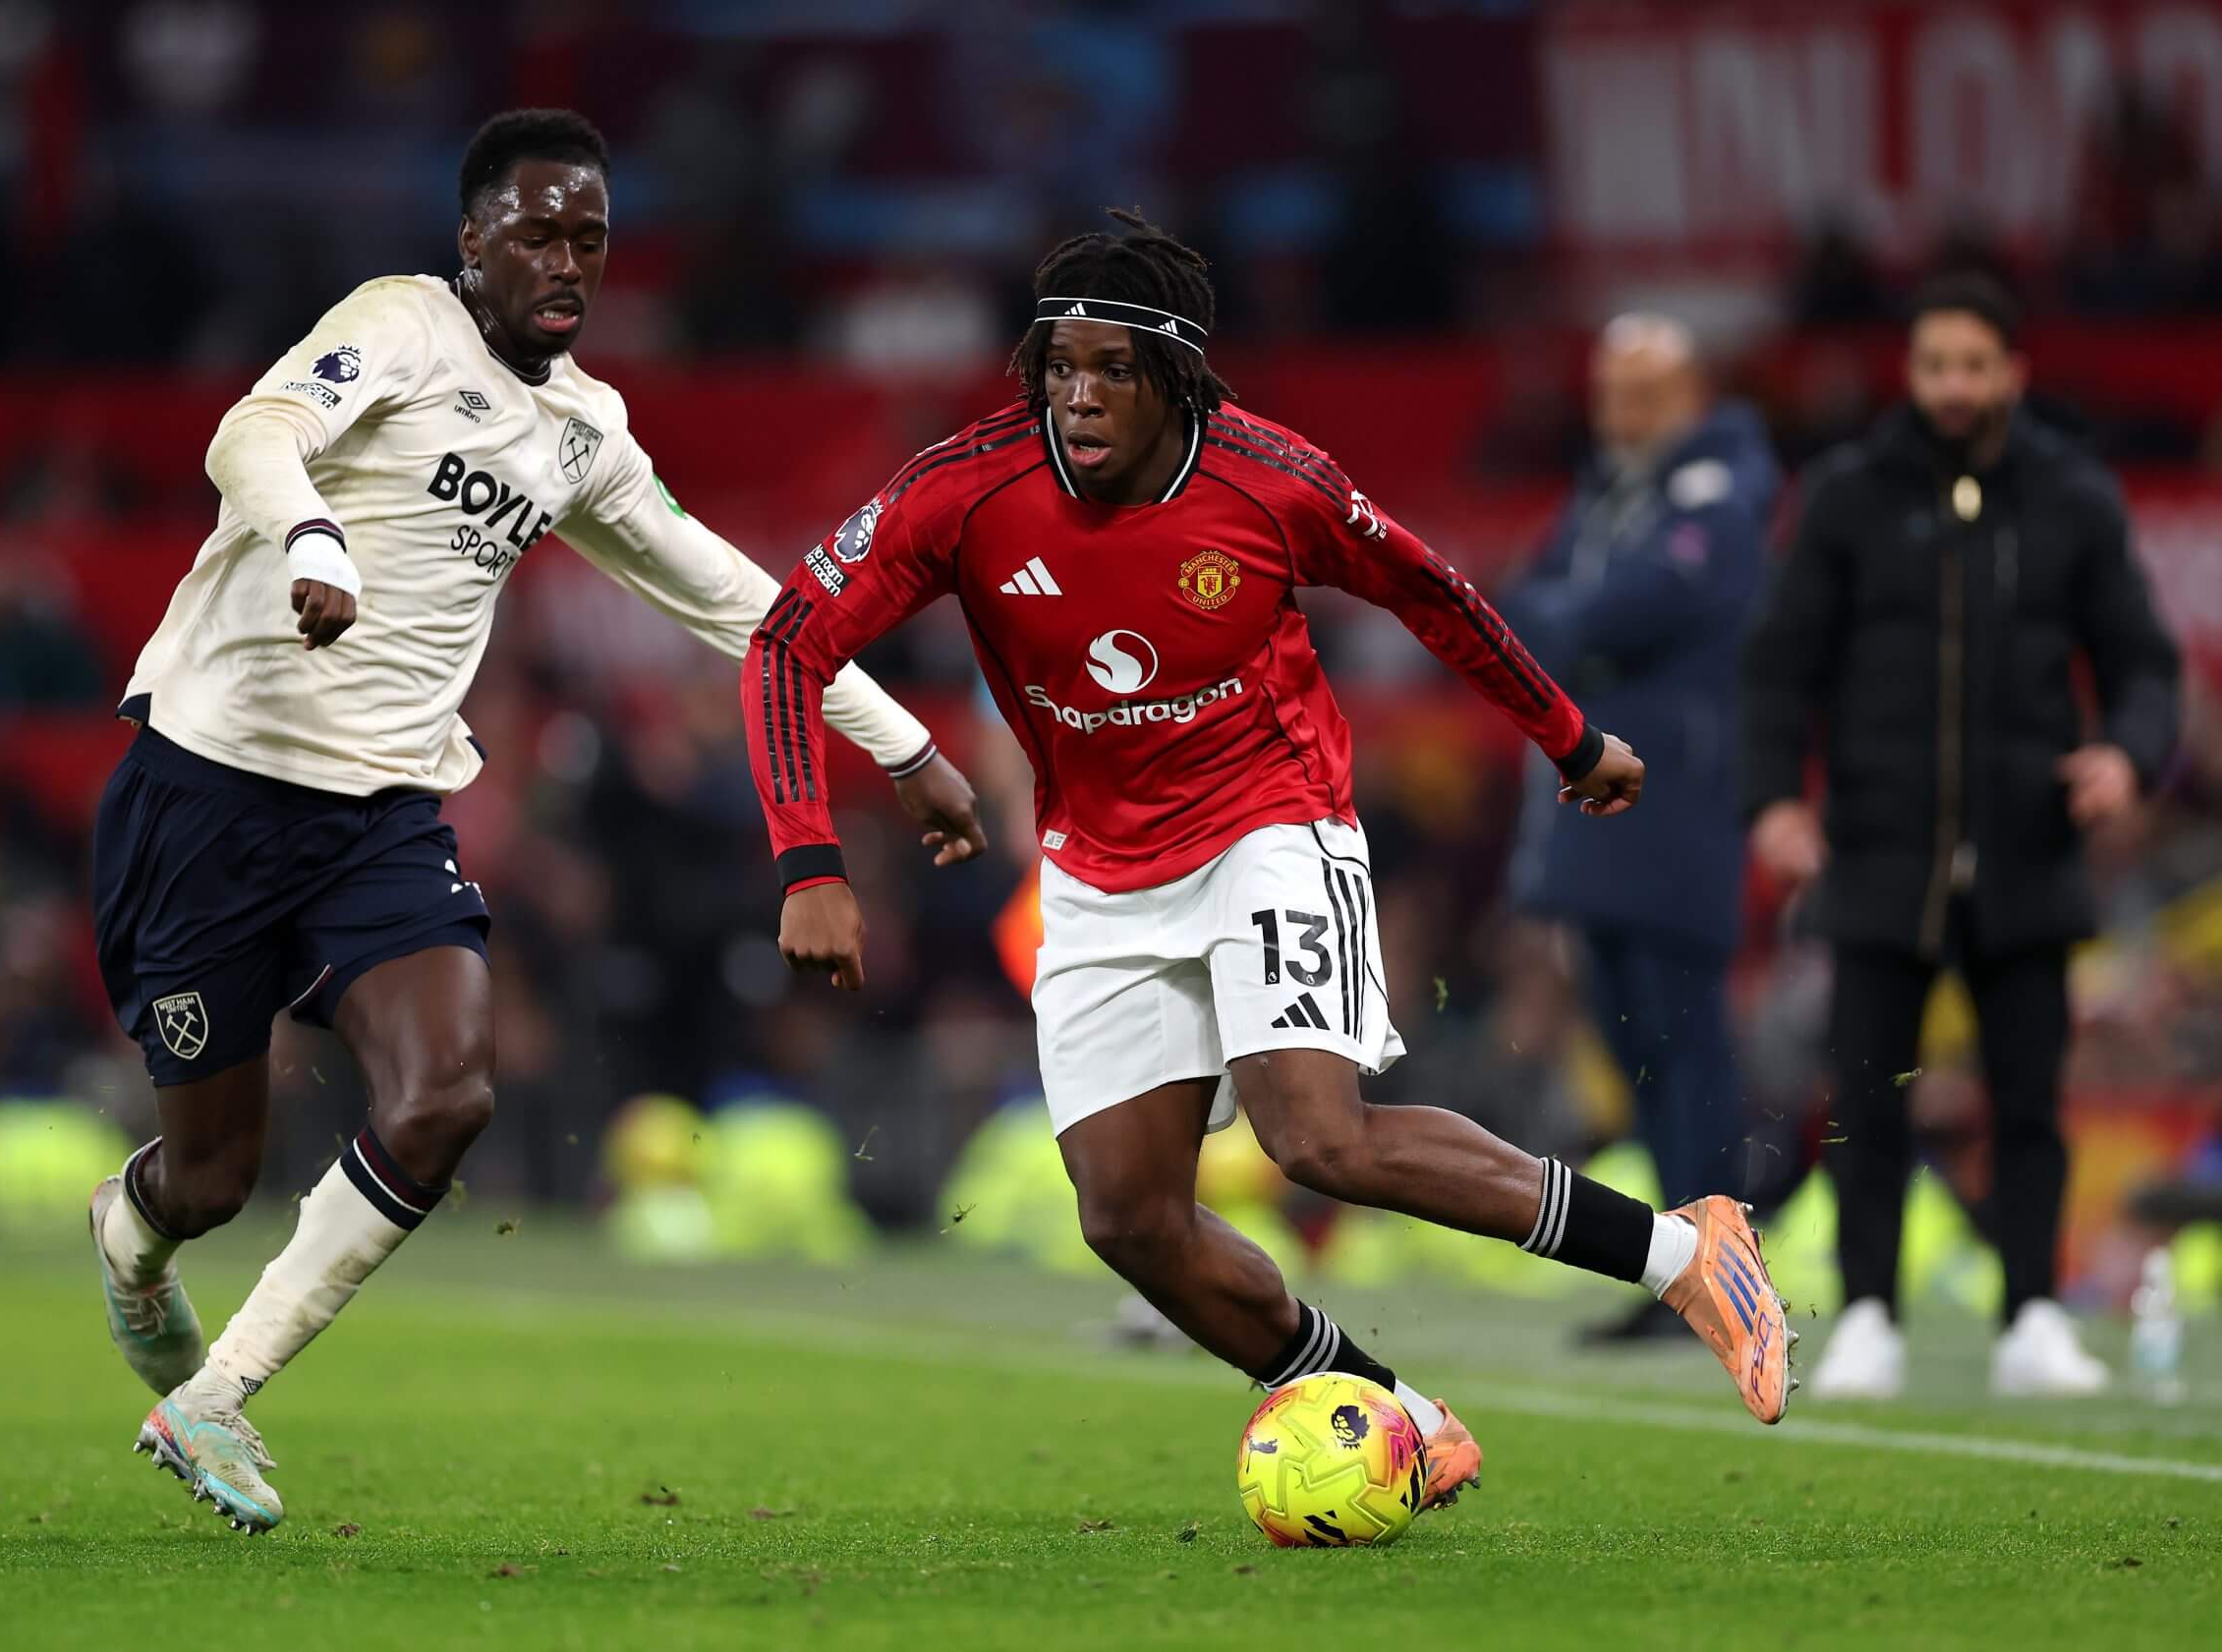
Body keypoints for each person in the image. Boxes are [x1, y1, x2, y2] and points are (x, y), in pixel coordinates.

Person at [741, 211, 1794, 1511]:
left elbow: (1433, 592)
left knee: (1317, 1137)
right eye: (1058, 366)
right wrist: (810, 859)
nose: (1078, 395)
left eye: (1112, 369)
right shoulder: (965, 491)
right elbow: (787, 639)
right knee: (1126, 1217)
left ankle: (1689, 1254)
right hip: (1097, 870)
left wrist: (1570, 740)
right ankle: (1400, 1412)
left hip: (1270, 826)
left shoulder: (1271, 481)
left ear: (1176, 376)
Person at [84, 109, 986, 1532]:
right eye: (539, 232)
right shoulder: (399, 325)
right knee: (210, 1177)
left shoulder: (585, 434)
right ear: (471, 240)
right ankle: (132, 1245)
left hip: (381, 811)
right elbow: (253, 433)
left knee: (448, 1094)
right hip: (210, 787)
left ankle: (219, 1393)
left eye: (591, 240)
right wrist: (312, 535)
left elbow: (734, 598)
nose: (567, 262)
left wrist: (907, 742)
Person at [1743, 273, 2181, 1399]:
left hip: (2026, 849)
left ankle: (2033, 1311)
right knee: (1867, 1099)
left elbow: (2143, 663)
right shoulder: (1846, 495)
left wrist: (2126, 755)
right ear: (1913, 371)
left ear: (2012, 374)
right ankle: (1869, 1318)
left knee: (2030, 1099)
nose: (1951, 387)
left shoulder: (2072, 497)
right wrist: (1774, 801)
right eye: (1935, 365)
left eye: (1973, 367)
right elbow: (1781, 666)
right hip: (1879, 848)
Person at [1503, 315, 1781, 1342]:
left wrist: (1570, 616)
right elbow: (1518, 604)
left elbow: (1624, 607)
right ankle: (1685, 1275)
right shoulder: (1614, 491)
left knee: (1684, 1041)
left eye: (1642, 392)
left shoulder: (1720, 490)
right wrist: (1570, 613)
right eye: (1609, 390)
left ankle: (1725, 1274)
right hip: (1612, 815)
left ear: (1691, 394)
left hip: (1675, 805)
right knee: (1636, 1043)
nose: (1618, 412)